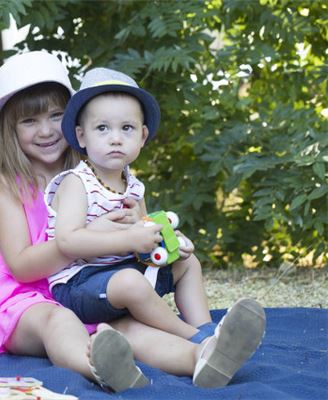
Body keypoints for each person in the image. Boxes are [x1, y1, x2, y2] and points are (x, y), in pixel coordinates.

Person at [0, 51, 265, 391]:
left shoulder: (98, 167)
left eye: (56, 115)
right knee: (59, 321)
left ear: (76, 124)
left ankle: (204, 355)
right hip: (25, 299)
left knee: (126, 329)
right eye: (29, 121)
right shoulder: (8, 180)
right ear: (9, 127)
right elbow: (21, 266)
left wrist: (160, 241)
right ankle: (99, 368)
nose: (47, 130)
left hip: (90, 282)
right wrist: (89, 235)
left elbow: (136, 231)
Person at [44, 66, 266, 387]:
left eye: (127, 128)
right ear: (82, 136)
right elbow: (67, 241)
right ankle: (196, 336)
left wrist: (169, 242)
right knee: (131, 282)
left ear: (143, 136)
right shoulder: (76, 184)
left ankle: (209, 331)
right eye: (102, 128)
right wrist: (127, 237)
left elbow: (147, 238)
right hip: (80, 284)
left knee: (188, 263)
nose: (116, 138)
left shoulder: (134, 187)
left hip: (126, 272)